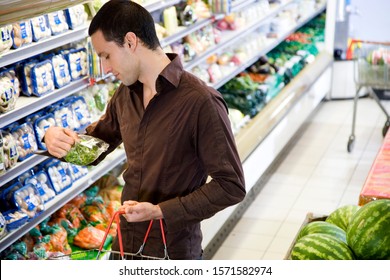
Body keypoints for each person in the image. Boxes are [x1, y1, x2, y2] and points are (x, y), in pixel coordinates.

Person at [43, 0, 245, 260]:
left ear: (130, 42)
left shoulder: (201, 102)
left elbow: (231, 186)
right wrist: (54, 139)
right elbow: (95, 147)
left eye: (106, 55)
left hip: (171, 251)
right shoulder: (125, 95)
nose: (105, 68)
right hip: (125, 242)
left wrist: (161, 211)